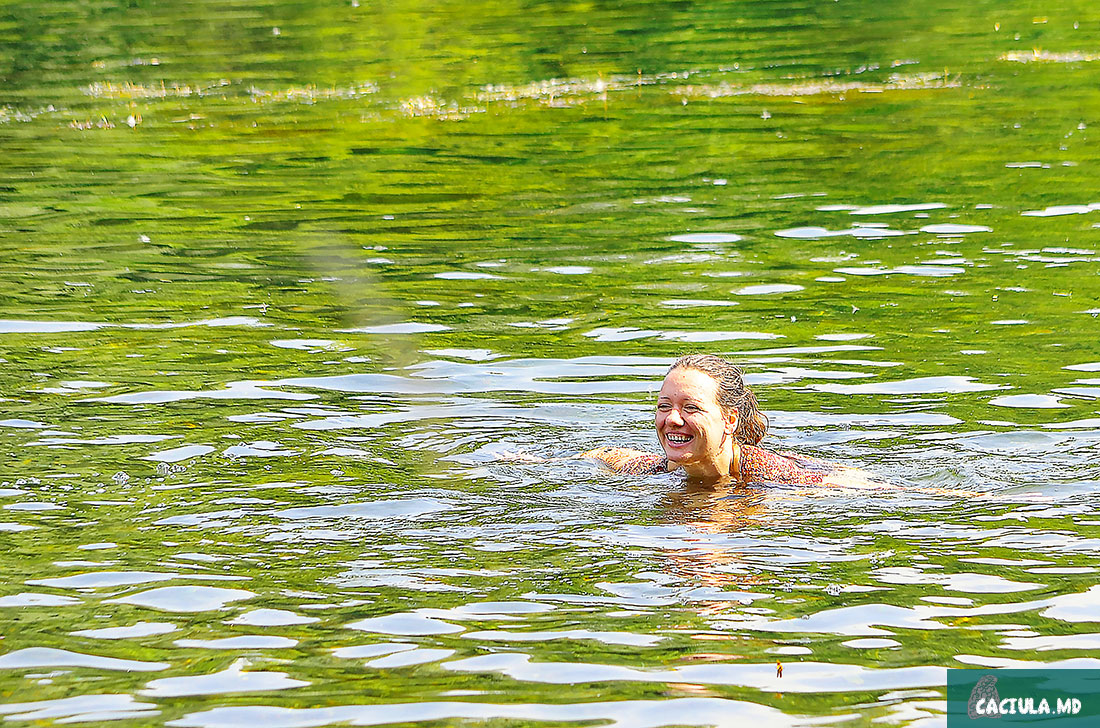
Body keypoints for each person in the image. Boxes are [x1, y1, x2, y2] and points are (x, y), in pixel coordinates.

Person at [583, 354, 845, 485]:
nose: (672, 419)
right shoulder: (655, 471)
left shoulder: (771, 474)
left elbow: (854, 486)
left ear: (730, 420)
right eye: (664, 406)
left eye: (691, 408)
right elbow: (606, 454)